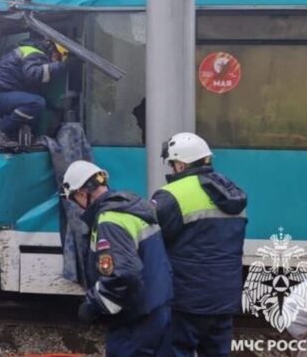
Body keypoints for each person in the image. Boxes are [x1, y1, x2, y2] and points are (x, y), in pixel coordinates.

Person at [63, 160, 172, 356]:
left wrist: (93, 305)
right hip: (156, 307)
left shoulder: (110, 220)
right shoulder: (132, 208)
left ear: (81, 193)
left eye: (74, 199)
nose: (77, 206)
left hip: (134, 320)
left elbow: (123, 275)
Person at [153, 132, 247, 357]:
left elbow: (152, 241)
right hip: (225, 296)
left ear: (181, 164)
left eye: (173, 164)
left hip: (186, 299)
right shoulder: (232, 192)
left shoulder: (172, 195)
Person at [0, 36, 71, 144]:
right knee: (36, 102)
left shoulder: (30, 51)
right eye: (57, 56)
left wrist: (55, 108)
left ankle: (16, 137)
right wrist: (60, 66)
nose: (55, 60)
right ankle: (1, 132)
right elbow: (33, 74)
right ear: (50, 48)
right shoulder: (35, 53)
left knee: (38, 105)